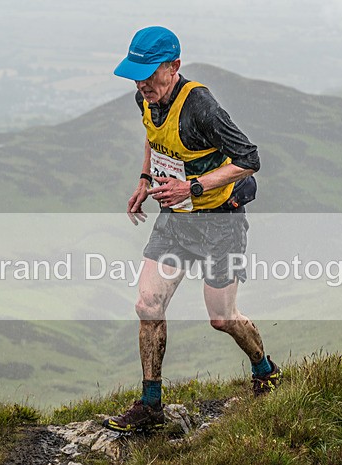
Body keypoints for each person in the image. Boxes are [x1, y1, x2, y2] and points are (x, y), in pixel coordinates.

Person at [103, 26, 281, 432]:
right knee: (148, 304)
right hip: (177, 220)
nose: (142, 82)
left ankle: (265, 371)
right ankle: (151, 406)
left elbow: (250, 159)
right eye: (137, 73)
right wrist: (145, 179)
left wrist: (193, 186)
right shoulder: (144, 98)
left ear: (174, 67)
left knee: (222, 318)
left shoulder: (201, 106)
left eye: (150, 73)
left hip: (221, 222)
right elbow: (153, 135)